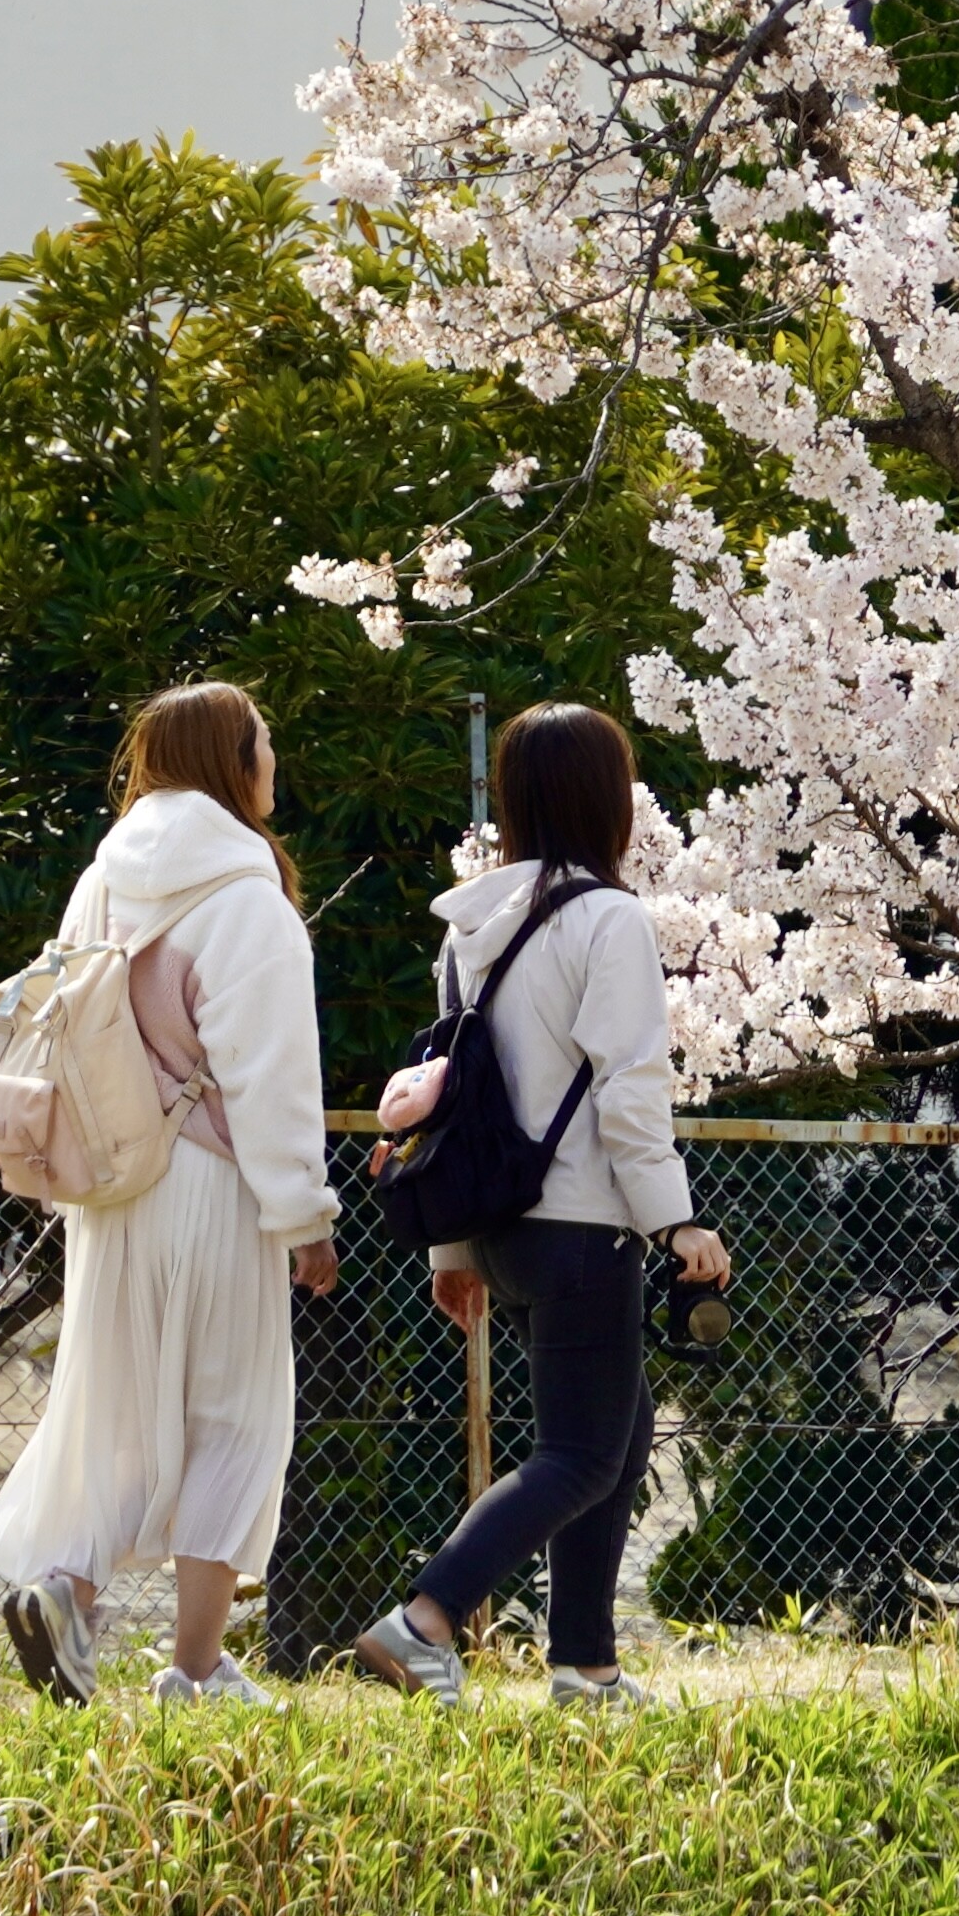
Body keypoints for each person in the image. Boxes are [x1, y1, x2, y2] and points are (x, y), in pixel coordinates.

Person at [348, 701, 725, 1708]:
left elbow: (452, 1097)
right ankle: (424, 1619)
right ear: (607, 801)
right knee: (578, 1452)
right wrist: (673, 1221)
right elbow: (631, 1087)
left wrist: (453, 1252)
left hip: (504, 1228)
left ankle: (586, 1663)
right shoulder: (608, 920)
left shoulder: (470, 928)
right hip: (583, 1226)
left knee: (617, 1434)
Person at [0, 679, 337, 1706]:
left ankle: (64, 1594)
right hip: (213, 1187)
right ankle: (195, 1665)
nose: (272, 761)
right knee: (232, 1412)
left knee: (119, 1414)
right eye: (263, 742)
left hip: (110, 1182)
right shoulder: (244, 894)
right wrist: (303, 1215)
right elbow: (268, 1073)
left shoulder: (100, 880)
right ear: (233, 760)